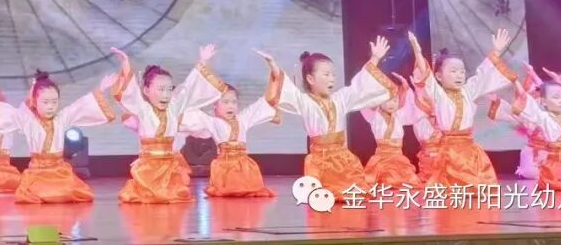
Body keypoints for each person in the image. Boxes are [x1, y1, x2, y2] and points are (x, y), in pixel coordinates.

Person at [0, 69, 118, 204]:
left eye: (54, 102)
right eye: (45, 102)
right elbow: (9, 114)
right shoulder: (28, 121)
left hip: (59, 171)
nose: (50, 107)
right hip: (38, 172)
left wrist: (101, 89)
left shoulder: (62, 118)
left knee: (71, 190)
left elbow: (80, 106)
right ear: (35, 102)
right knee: (38, 191)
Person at [270, 35, 394, 200]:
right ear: (310, 79)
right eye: (326, 74)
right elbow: (287, 91)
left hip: (343, 159)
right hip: (319, 162)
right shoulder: (305, 101)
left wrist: (375, 58)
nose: (332, 79)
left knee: (355, 193)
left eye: (333, 75)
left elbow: (360, 84)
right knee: (323, 195)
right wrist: (274, 68)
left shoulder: (340, 98)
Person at [111, 44, 227, 204]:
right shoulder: (143, 109)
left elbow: (188, 88)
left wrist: (202, 61)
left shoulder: (174, 108)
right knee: (148, 196)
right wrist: (125, 63)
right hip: (148, 169)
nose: (166, 94)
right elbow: (131, 93)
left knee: (175, 195)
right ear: (146, 91)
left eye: (169, 89)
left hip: (169, 167)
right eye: (161, 89)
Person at [408, 29, 515, 189]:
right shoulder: (439, 95)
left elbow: (482, 75)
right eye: (453, 71)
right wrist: (417, 52)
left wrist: (496, 51)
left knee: (479, 190)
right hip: (448, 152)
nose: (459, 75)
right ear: (439, 76)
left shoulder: (468, 91)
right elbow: (427, 76)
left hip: (470, 151)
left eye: (462, 71)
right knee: (451, 190)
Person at [179, 51, 283, 198]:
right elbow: (188, 107)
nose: (230, 106)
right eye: (225, 102)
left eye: (234, 102)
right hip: (224, 169)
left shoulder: (243, 118)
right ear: (215, 105)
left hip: (245, 169)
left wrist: (272, 65)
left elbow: (267, 101)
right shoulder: (212, 121)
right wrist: (202, 62)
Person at [361, 73, 421, 188]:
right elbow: (365, 101)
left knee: (410, 182)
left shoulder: (399, 115)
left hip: (398, 158)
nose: (392, 104)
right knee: (386, 181)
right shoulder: (374, 116)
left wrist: (406, 89)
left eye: (394, 100)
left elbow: (412, 110)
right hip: (381, 158)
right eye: (387, 100)